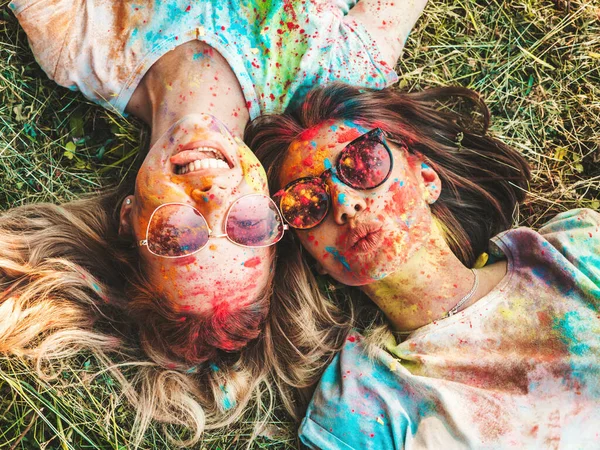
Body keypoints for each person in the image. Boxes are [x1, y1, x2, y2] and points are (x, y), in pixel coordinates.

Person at [6, 0, 429, 445]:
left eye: (178, 232)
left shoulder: (76, 42)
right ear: (272, 208)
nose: (211, 199)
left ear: (129, 217)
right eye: (246, 224)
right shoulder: (336, 79)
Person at [246, 83, 600, 449]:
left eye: (363, 163)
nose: (344, 203)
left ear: (427, 179)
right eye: (307, 203)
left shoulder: (575, 250)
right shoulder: (360, 407)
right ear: (314, 259)